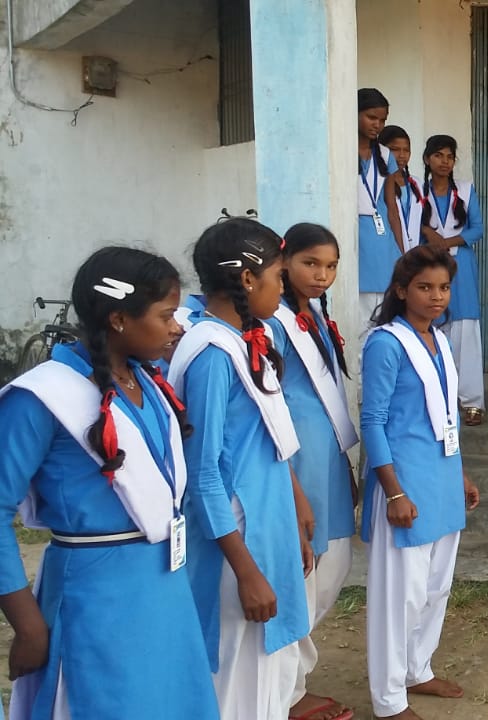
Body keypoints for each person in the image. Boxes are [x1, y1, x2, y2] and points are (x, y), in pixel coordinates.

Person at [0, 248, 218, 719]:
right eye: (165, 316)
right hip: (95, 595)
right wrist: (28, 624)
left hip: (164, 586)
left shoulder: (146, 381)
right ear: (119, 319)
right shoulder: (42, 397)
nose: (177, 327)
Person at [168, 219, 313, 719]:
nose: (283, 287)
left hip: (266, 524)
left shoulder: (244, 339)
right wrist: (246, 570)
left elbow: (267, 441)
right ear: (248, 278)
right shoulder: (213, 355)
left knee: (267, 671)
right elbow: (204, 473)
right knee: (238, 677)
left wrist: (294, 509)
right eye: (279, 276)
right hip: (237, 538)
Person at [361, 245, 482, 720]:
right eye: (425, 287)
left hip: (441, 479)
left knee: (435, 588)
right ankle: (389, 699)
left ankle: (418, 669)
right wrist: (393, 491)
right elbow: (373, 421)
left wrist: (460, 474)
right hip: (406, 482)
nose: (436, 296)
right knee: (401, 598)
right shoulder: (386, 343)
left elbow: (445, 417)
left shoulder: (438, 340)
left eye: (444, 287)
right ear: (400, 290)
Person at [270, 223, 360, 720]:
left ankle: (291, 678)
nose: (322, 274)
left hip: (327, 455)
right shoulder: (273, 323)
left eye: (330, 266)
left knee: (333, 566)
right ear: (283, 262)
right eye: (311, 263)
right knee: (303, 572)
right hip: (298, 459)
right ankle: (287, 691)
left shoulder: (314, 315)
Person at [420, 135, 487, 426]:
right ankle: (436, 399)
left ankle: (472, 401)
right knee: (431, 328)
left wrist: (447, 242)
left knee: (466, 329)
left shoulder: (466, 190)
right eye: (438, 155)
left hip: (461, 265)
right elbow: (410, 222)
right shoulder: (417, 190)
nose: (445, 161)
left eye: (449, 156)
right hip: (428, 265)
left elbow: (478, 229)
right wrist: (429, 235)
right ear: (427, 159)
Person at [356, 88, 405, 323]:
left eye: (382, 120)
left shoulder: (385, 155)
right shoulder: (341, 151)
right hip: (357, 238)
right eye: (371, 117)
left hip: (383, 241)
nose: (377, 125)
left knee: (383, 313)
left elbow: (391, 208)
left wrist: (402, 252)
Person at [379, 125, 426, 251]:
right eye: (395, 149)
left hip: (414, 251)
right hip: (388, 248)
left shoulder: (417, 183)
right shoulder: (378, 183)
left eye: (406, 150)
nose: (402, 155)